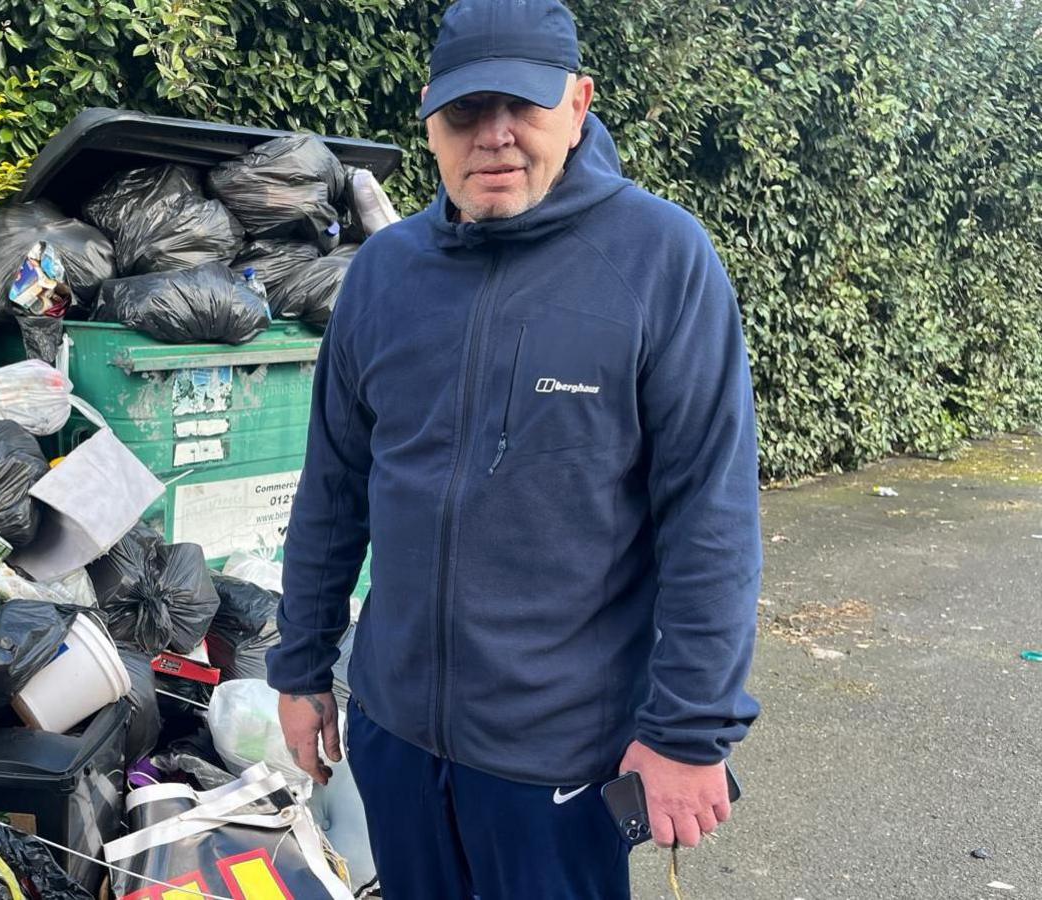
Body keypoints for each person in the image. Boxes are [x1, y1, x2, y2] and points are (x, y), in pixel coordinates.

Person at [265, 0, 763, 896]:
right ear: (427, 118)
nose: (492, 137)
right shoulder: (383, 275)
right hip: (397, 739)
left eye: (522, 108)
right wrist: (301, 670)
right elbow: (333, 488)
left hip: (559, 761)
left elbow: (711, 515)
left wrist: (689, 733)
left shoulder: (660, 260)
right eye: (465, 112)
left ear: (578, 104)